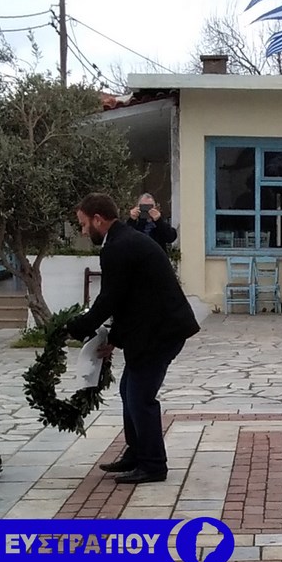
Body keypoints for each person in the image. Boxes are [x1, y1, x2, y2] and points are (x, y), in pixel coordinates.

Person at [65, 193, 200, 485]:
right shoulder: (122, 240)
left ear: (98, 219)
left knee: (140, 397)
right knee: (129, 390)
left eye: (84, 224)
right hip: (153, 328)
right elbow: (131, 298)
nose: (84, 231)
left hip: (162, 332)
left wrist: (77, 328)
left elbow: (110, 298)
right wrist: (114, 338)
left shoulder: (118, 246)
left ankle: (153, 465)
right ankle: (137, 453)